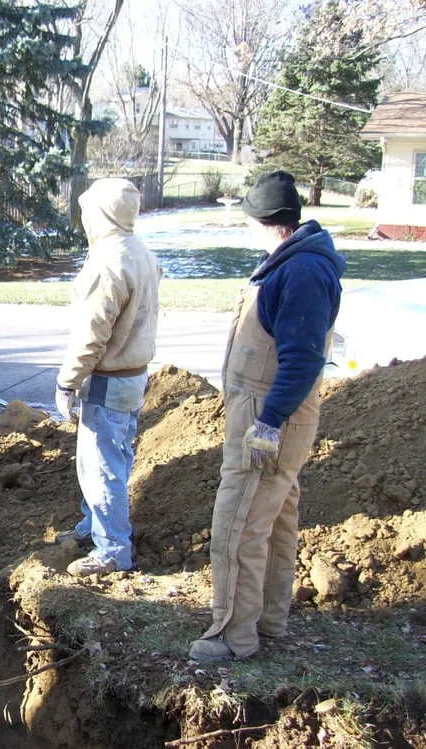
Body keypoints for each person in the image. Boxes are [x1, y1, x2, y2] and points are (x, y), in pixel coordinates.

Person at [189, 170, 346, 663]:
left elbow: (302, 359)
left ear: (264, 221)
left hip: (269, 418)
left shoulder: (301, 272)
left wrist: (268, 423)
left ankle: (232, 635)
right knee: (274, 521)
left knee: (238, 525)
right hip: (266, 412)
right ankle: (270, 621)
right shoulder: (290, 262)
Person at [54, 177, 160, 577]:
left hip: (108, 379)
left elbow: (91, 334)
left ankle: (113, 548)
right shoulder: (139, 252)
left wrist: (68, 381)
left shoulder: (108, 262)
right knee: (108, 458)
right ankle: (92, 524)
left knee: (101, 465)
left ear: (99, 214)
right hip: (133, 377)